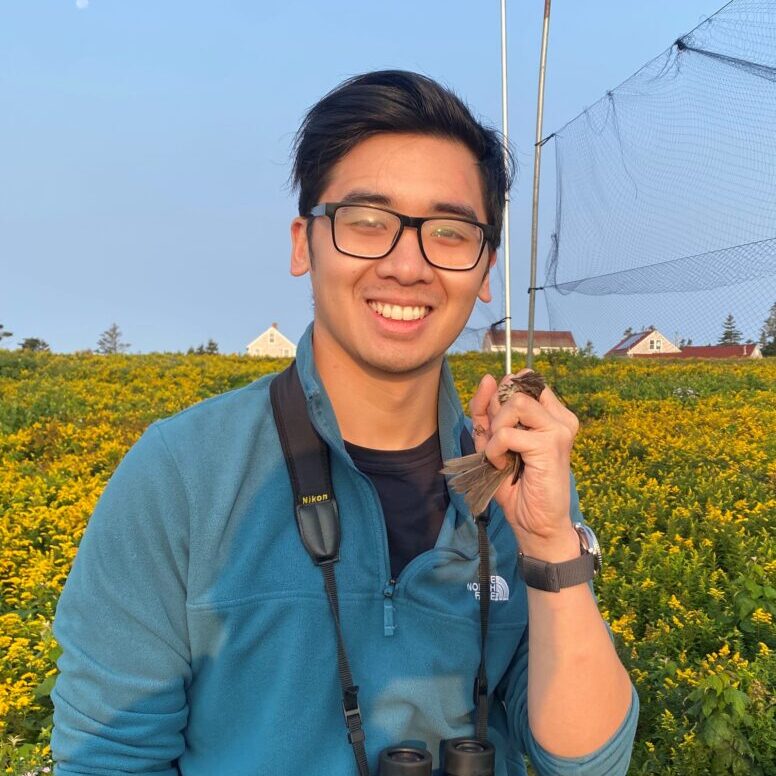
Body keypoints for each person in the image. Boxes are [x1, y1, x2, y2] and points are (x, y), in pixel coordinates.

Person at [51, 70, 638, 775]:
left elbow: (587, 762)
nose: (407, 264)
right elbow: (109, 757)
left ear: (485, 269)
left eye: (450, 233)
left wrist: (548, 542)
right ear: (304, 244)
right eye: (367, 223)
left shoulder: (513, 475)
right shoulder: (182, 473)